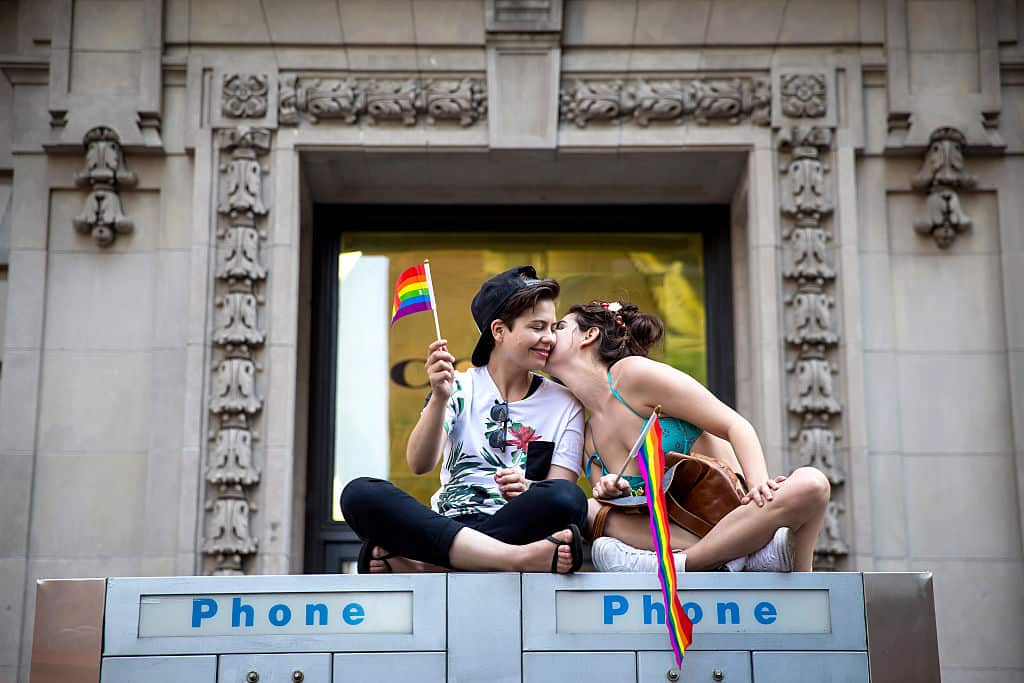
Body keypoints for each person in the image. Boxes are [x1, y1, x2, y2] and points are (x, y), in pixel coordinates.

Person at [544, 301, 831, 573]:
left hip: (738, 514)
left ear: (589, 335)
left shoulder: (632, 375)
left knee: (812, 483)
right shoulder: (585, 435)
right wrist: (611, 493)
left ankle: (692, 564)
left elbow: (736, 425)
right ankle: (738, 559)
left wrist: (759, 487)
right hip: (677, 533)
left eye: (558, 327)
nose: (546, 334)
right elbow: (623, 512)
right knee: (588, 507)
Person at [340, 266, 588, 574]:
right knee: (360, 494)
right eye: (538, 327)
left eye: (553, 327)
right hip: (453, 523)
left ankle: (426, 565)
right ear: (499, 330)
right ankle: (514, 560)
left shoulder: (566, 402)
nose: (549, 338)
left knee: (569, 500)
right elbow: (419, 463)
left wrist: (528, 488)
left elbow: (559, 489)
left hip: (518, 523)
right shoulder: (456, 386)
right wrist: (439, 398)